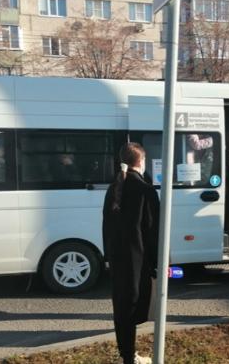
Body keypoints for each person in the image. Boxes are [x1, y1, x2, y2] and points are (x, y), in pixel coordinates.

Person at [102, 142, 159, 364]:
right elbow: (154, 232)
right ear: (141, 161)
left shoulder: (114, 188)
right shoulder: (146, 190)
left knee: (123, 308)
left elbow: (106, 225)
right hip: (139, 260)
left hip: (118, 258)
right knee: (137, 306)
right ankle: (131, 357)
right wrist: (157, 263)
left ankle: (128, 355)